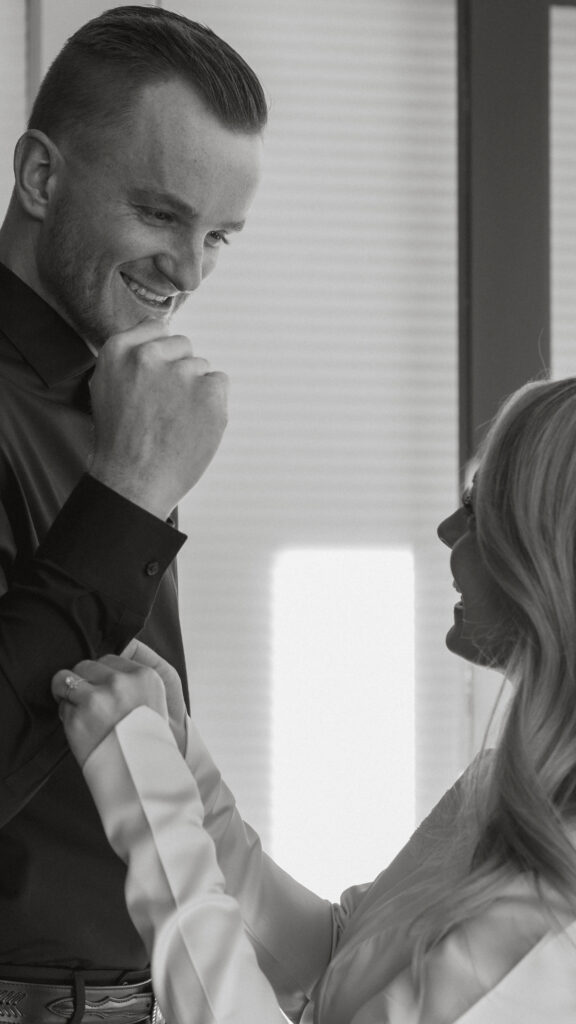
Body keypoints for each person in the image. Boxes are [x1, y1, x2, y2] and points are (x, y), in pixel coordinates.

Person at [54, 377, 576, 1023]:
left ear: (553, 552)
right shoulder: (510, 790)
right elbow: (336, 960)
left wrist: (146, 799)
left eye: (478, 507)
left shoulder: (560, 909)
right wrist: (183, 765)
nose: (445, 530)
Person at [0, 3, 266, 1018]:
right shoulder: (126, 440)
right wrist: (131, 496)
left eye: (218, 236)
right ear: (40, 177)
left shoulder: (118, 394)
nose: (188, 271)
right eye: (159, 215)